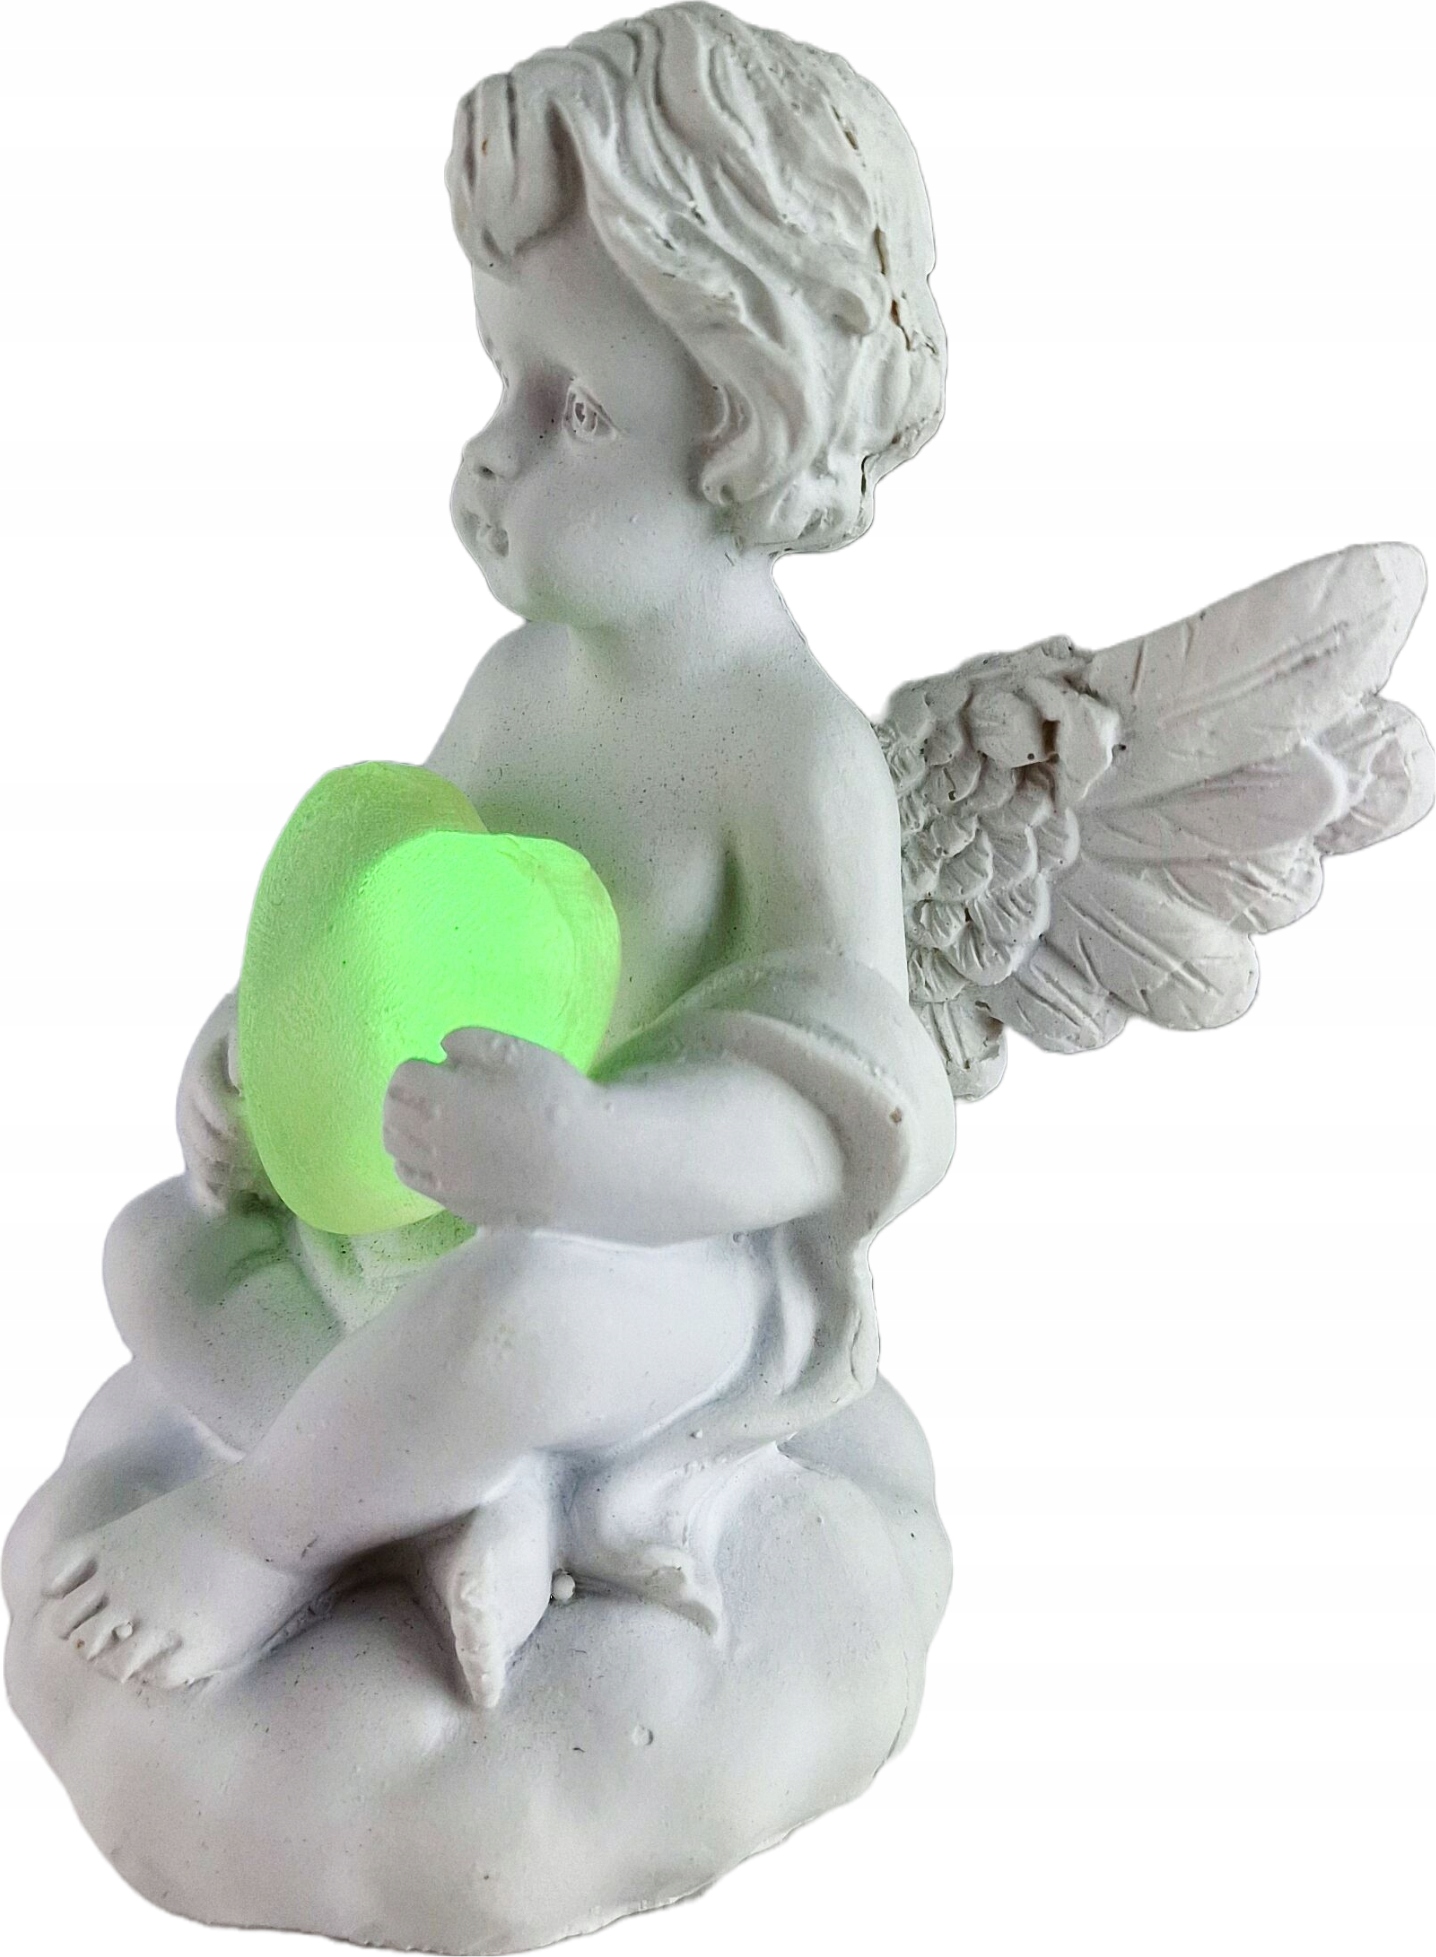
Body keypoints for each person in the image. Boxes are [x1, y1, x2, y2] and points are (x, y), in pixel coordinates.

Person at [38, 2, 954, 1705]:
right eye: (497, 382)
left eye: (575, 408)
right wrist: (261, 1060)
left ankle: (266, 1531)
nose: (491, 454)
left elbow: (840, 1122)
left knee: (533, 1307)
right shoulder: (517, 690)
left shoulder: (797, 757)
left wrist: (592, 1156)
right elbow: (393, 932)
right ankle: (458, 1494)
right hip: (435, 1223)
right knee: (157, 1252)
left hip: (666, 1281)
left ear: (745, 435)